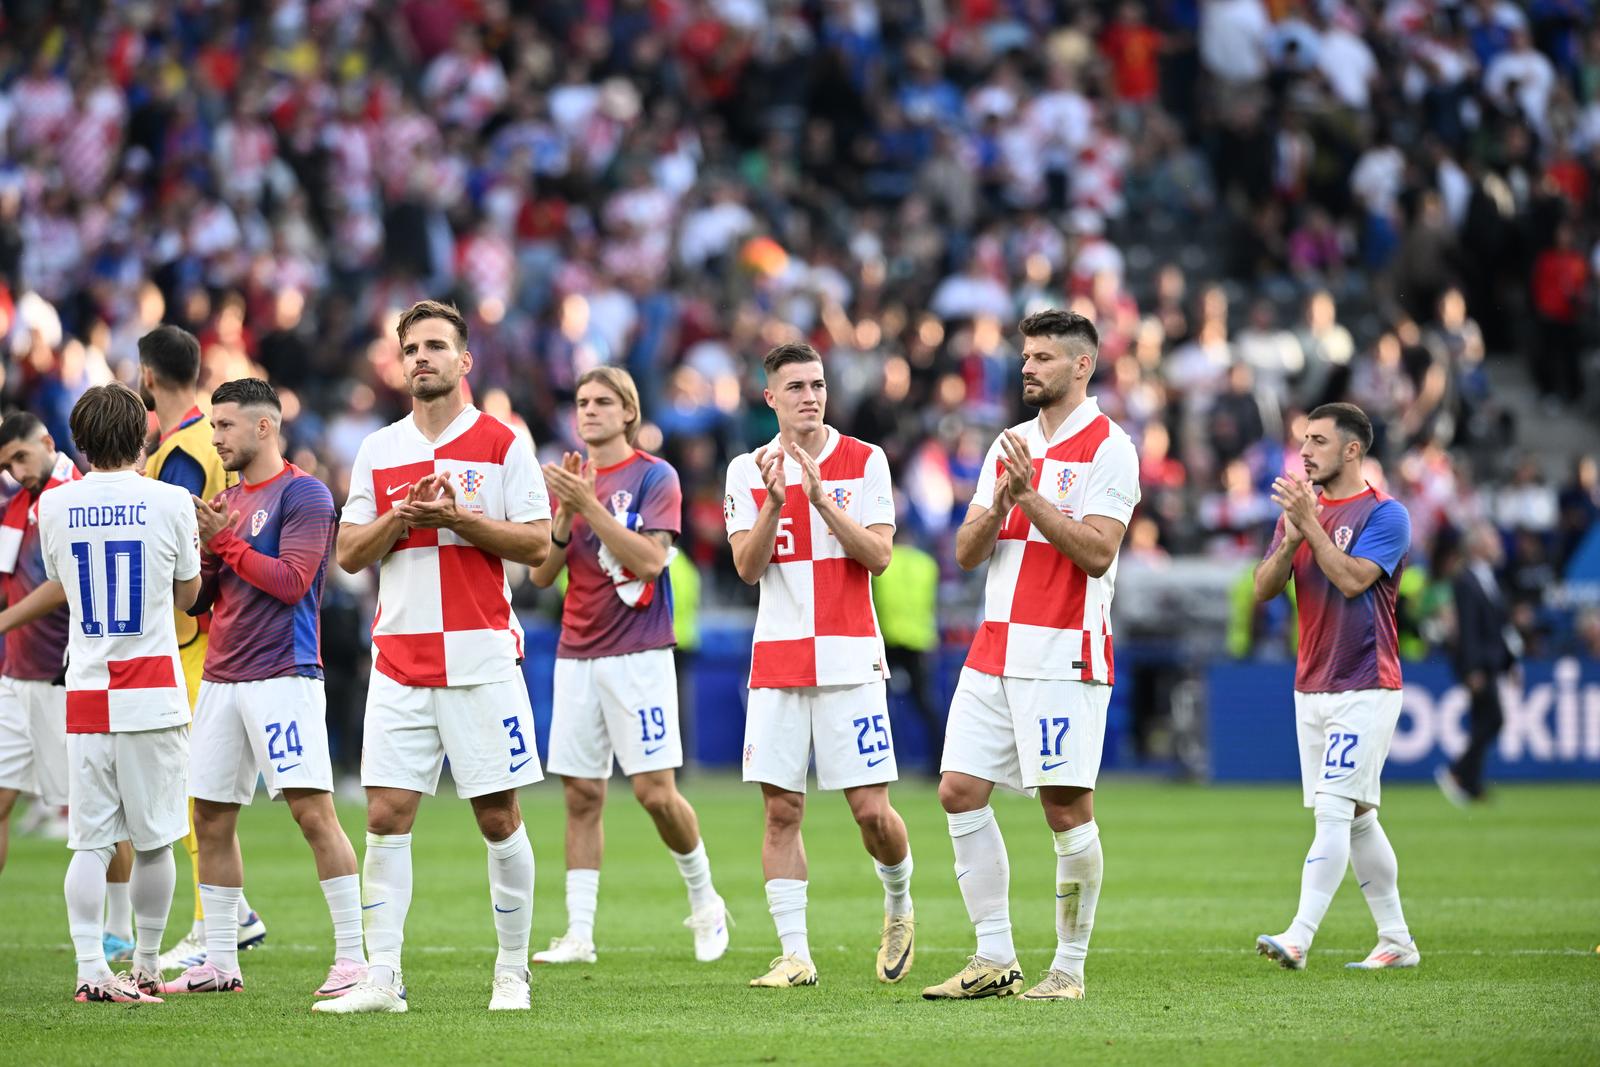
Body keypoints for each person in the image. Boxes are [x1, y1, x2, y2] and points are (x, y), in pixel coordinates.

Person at [315, 300, 551, 1015]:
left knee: (498, 816)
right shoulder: (379, 450)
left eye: (436, 346)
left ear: (464, 360)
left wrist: (461, 520)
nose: (422, 357)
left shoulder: (503, 445)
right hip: (401, 658)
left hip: (481, 657)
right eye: (411, 347)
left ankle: (513, 969)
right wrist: (402, 517)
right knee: (385, 813)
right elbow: (350, 553)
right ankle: (382, 976)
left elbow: (540, 544)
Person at [923, 309, 1140, 1003]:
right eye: (1026, 356)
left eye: (1044, 357)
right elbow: (964, 551)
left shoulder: (1110, 446)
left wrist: (1030, 498)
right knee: (957, 789)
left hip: (1063, 651)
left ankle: (1068, 968)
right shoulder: (1009, 442)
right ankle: (994, 956)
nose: (1027, 367)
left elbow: (1098, 550)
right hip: (995, 648)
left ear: (1083, 365)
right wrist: (1000, 504)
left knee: (1065, 807)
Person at [160, 379, 366, 1000]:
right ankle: (221, 962)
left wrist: (224, 540)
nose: (215, 437)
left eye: (224, 426)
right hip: (222, 676)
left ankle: (355, 958)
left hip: (284, 675)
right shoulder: (228, 498)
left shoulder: (305, 495)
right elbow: (202, 604)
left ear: (264, 427)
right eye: (214, 425)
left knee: (312, 813)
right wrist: (193, 554)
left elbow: (294, 582)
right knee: (211, 817)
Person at [724, 342, 916, 989]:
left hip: (850, 657)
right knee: (781, 812)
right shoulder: (743, 471)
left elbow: (880, 556)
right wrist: (777, 501)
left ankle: (898, 902)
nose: (811, 395)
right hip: (777, 661)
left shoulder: (866, 461)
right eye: (796, 386)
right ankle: (796, 953)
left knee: (870, 810)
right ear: (770, 397)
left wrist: (822, 498)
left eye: (818, 383)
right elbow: (747, 568)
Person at [0, 383, 200, 1003]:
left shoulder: (54, 507)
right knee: (155, 839)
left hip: (85, 688)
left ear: (78, 442)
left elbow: (61, 582)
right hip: (151, 687)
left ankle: (91, 968)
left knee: (89, 842)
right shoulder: (170, 500)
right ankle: (143, 964)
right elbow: (189, 596)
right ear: (142, 436)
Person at [530, 367, 729, 965]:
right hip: (576, 652)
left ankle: (706, 900)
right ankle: (580, 933)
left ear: (628, 413)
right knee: (581, 795)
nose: (588, 411)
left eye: (602, 402)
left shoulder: (654, 476)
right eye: (582, 402)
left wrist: (589, 504)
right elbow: (541, 575)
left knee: (653, 792)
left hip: (639, 653)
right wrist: (565, 519)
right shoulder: (570, 480)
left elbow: (650, 560)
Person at [1253, 401, 1420, 970]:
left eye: (1318, 441)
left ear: (1353, 449)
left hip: (1365, 681)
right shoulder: (1300, 511)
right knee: (1356, 817)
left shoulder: (1386, 514)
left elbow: (1352, 581)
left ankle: (1298, 936)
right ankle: (1396, 940)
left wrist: (1313, 529)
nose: (1305, 451)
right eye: (1303, 440)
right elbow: (1263, 588)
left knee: (1332, 809)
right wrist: (1292, 536)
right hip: (1312, 682)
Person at [137, 325, 265, 971]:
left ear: (147, 376)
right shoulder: (198, 441)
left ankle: (215, 919)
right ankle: (229, 912)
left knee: (195, 789)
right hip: (218, 631)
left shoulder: (182, 450)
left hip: (192, 638)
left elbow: (180, 543)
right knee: (201, 787)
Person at [0, 413, 78, 878]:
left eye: (21, 457)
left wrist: (3, 622)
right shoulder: (18, 503)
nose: (15, 471)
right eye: (7, 464)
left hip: (62, 677)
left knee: (95, 815)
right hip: (15, 676)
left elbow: (65, 584)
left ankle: (118, 930)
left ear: (48, 442)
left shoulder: (71, 499)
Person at [1436, 522, 1519, 805]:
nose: (1497, 544)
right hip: (1479, 665)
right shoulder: (1466, 579)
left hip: (1491, 663)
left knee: (1483, 721)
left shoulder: (1487, 577)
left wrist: (1510, 663)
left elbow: (1499, 627)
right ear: (1477, 546)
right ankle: (1458, 773)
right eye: (1491, 539)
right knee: (1493, 719)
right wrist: (1472, 669)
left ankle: (1471, 783)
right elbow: (1469, 629)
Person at [872, 522, 942, 773]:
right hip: (919, 639)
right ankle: (939, 762)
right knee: (925, 704)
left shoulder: (885, 561)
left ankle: (879, 761)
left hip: (888, 639)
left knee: (878, 703)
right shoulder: (927, 564)